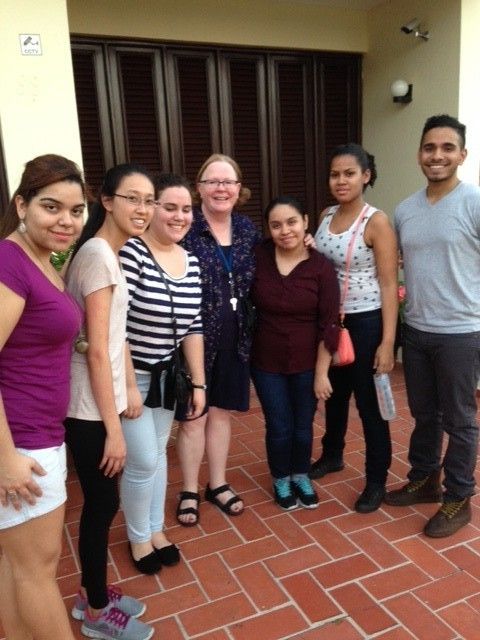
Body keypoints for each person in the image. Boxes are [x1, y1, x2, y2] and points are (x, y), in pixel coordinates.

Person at [65, 164, 155, 640]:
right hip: (88, 410)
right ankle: (95, 609)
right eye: (132, 198)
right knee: (101, 505)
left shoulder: (108, 252)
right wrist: (114, 428)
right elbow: (97, 347)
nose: (143, 209)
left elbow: (110, 339)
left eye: (149, 200)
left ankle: (91, 591)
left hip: (99, 402)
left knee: (103, 503)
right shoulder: (100, 254)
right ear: (107, 200)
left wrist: (130, 392)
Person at [0, 154, 86, 640]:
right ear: (21, 204)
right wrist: (6, 457)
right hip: (22, 444)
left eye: (76, 211)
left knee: (17, 565)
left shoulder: (38, 259)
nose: (66, 221)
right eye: (52, 207)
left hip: (35, 435)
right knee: (38, 571)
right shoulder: (9, 261)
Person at [384, 114, 480, 537]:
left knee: (460, 419)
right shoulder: (405, 210)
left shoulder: (474, 202)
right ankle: (426, 479)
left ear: (462, 154)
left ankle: (459, 497)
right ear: (419, 154)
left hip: (462, 332)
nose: (436, 156)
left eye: (446, 148)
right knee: (425, 414)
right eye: (429, 148)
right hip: (418, 329)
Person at [119, 173, 205, 574]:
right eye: (169, 207)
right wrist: (125, 385)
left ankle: (155, 529)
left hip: (169, 378)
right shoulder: (132, 254)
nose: (178, 216)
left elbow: (193, 326)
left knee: (156, 455)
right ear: (152, 210)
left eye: (186, 209)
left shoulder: (191, 261)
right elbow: (113, 326)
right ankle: (138, 538)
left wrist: (199, 382)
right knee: (141, 461)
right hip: (133, 378)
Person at [309, 143, 398, 513]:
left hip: (366, 322)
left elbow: (390, 283)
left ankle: (376, 480)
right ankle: (333, 455)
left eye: (349, 173)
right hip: (332, 321)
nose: (341, 180)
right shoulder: (327, 213)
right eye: (335, 174)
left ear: (366, 176)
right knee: (336, 396)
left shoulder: (376, 222)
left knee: (369, 404)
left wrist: (388, 342)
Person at [175, 154, 261, 526]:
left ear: (239, 190)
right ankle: (190, 489)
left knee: (222, 412)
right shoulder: (185, 228)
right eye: (213, 181)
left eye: (229, 182)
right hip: (194, 338)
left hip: (236, 337)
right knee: (194, 415)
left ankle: (218, 483)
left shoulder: (247, 230)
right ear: (199, 188)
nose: (221, 188)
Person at [250, 196, 339, 510]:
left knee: (303, 426)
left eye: (291, 222)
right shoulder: (258, 255)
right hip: (266, 362)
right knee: (279, 425)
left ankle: (301, 473)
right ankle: (280, 478)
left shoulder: (321, 268)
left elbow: (330, 323)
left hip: (307, 363)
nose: (284, 230)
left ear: (305, 222)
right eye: (276, 225)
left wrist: (321, 372)